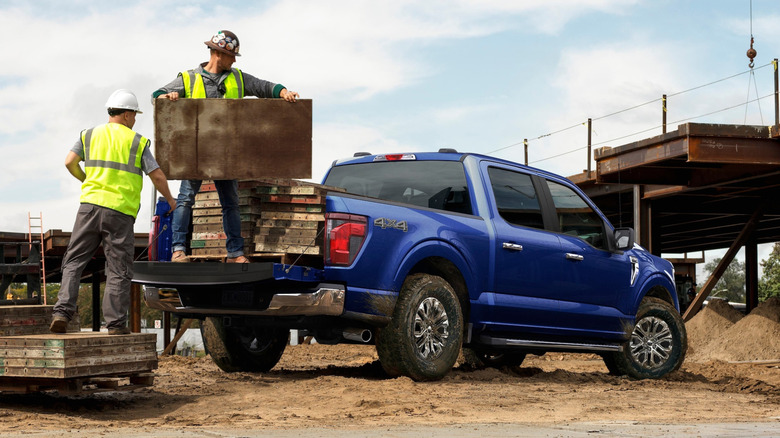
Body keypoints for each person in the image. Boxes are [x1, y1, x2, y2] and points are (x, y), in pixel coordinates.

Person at [153, 30, 300, 264]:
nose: (234, 60)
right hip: (197, 152)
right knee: (186, 199)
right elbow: (157, 95)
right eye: (232, 56)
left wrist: (283, 92)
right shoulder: (188, 78)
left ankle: (235, 253)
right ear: (218, 54)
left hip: (227, 153)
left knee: (230, 202)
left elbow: (263, 86)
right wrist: (166, 97)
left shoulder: (239, 78)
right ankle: (178, 250)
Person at [50, 89, 177, 335]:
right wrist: (171, 201)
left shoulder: (89, 135)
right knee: (118, 268)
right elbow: (157, 175)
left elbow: (69, 162)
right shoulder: (136, 141)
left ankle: (61, 313)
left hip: (89, 206)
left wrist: (87, 180)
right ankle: (116, 325)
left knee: (74, 261)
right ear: (128, 115)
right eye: (135, 115)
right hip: (119, 211)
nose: (135, 120)